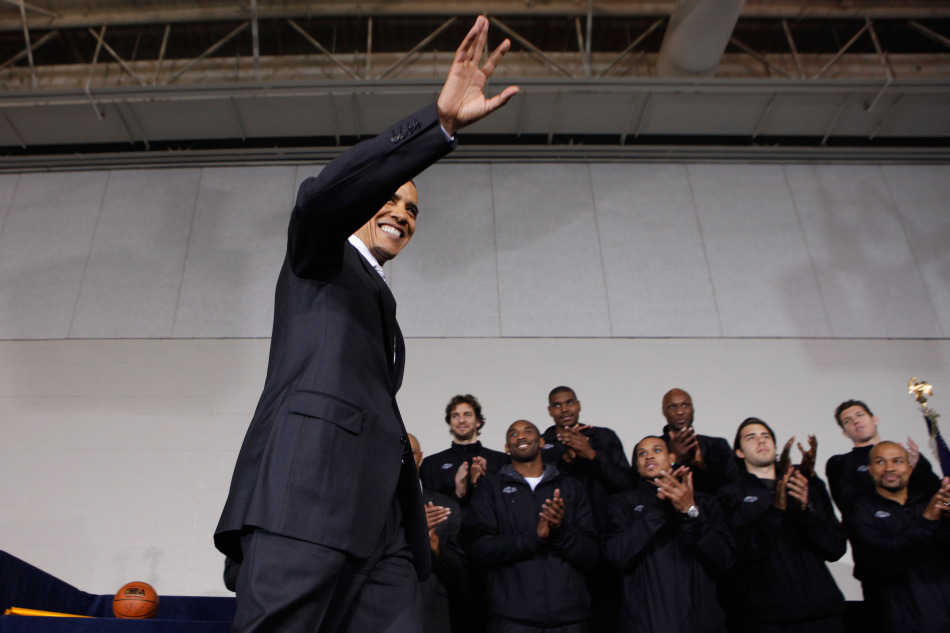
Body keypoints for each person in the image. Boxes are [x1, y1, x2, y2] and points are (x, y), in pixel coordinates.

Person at [213, 17, 519, 633]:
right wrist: (439, 127)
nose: (402, 214)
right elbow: (320, 200)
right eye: (391, 199)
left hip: (383, 520)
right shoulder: (319, 257)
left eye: (412, 211)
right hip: (307, 496)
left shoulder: (383, 301)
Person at [465, 420, 598, 633]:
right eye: (513, 434)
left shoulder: (570, 486)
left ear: (542, 442)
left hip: (570, 619)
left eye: (528, 431)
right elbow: (480, 549)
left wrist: (560, 529)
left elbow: (591, 555)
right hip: (512, 619)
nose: (521, 436)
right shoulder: (490, 487)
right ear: (507, 447)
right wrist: (534, 536)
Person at [717, 418, 846, 633]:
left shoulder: (804, 484)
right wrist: (775, 511)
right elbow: (736, 552)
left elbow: (835, 548)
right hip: (767, 620)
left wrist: (806, 510)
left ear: (776, 447)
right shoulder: (729, 494)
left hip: (822, 614)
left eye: (766, 436)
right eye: (751, 437)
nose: (760, 440)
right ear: (739, 452)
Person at [603, 435, 734, 633]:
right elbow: (616, 555)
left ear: (671, 458)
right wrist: (658, 507)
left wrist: (690, 511)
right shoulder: (621, 504)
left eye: (656, 450)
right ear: (636, 465)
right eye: (642, 454)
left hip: (701, 623)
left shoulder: (704, 502)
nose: (649, 457)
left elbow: (723, 560)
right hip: (647, 624)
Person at [540, 386, 631, 633]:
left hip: (605, 542)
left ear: (578, 405)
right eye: (557, 405)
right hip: (562, 544)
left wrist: (591, 454)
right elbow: (537, 491)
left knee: (608, 616)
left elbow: (626, 485)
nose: (564, 409)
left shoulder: (604, 437)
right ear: (550, 411)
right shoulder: (542, 444)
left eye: (569, 403)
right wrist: (566, 460)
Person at [843, 441, 950, 633]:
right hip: (899, 620)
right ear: (870, 469)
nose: (889, 468)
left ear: (909, 468)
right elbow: (880, 559)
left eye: (897, 461)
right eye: (880, 462)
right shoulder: (860, 510)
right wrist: (927, 520)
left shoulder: (930, 502)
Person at [409, 434, 481, 633]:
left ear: (420, 457)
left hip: (434, 614)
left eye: (410, 452)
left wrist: (436, 546)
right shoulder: (374, 505)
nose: (403, 456)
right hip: (384, 613)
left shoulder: (445, 507)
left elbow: (462, 571)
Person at [825, 399, 940, 513]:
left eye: (860, 415)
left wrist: (917, 468)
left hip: (920, 527)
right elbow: (848, 506)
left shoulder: (907, 456)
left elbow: (937, 498)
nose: (856, 421)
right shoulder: (840, 463)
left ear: (875, 420)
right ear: (845, 432)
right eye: (847, 421)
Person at [420, 394, 508, 505]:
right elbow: (429, 505)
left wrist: (483, 481)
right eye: (455, 416)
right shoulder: (431, 464)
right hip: (449, 522)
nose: (461, 420)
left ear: (478, 421)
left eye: (467, 415)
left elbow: (507, 503)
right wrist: (458, 491)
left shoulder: (501, 461)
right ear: (450, 423)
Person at [660, 388, 740, 493]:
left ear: (693, 409)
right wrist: (676, 460)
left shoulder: (718, 446)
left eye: (685, 405)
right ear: (663, 412)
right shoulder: (651, 448)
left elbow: (735, 487)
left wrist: (701, 468)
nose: (680, 412)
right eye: (672, 406)